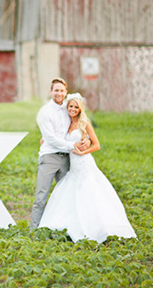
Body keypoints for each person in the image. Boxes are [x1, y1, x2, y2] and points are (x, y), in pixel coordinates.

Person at [38, 93, 137, 243]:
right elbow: (56, 137)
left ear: (80, 109)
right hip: (73, 166)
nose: (72, 109)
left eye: (76, 107)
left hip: (84, 163)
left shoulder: (84, 123)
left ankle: (96, 227)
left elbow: (97, 145)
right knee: (70, 192)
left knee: (90, 192)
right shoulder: (65, 123)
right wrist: (46, 141)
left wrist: (84, 150)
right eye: (70, 106)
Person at [30, 78, 89, 230]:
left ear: (66, 92)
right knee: (41, 196)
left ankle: (67, 228)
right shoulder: (44, 112)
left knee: (67, 195)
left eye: (62, 90)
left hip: (68, 158)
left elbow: (80, 124)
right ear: (51, 92)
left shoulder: (69, 108)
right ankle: (34, 230)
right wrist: (72, 145)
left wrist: (87, 139)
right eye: (56, 90)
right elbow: (50, 138)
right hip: (49, 157)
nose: (59, 93)